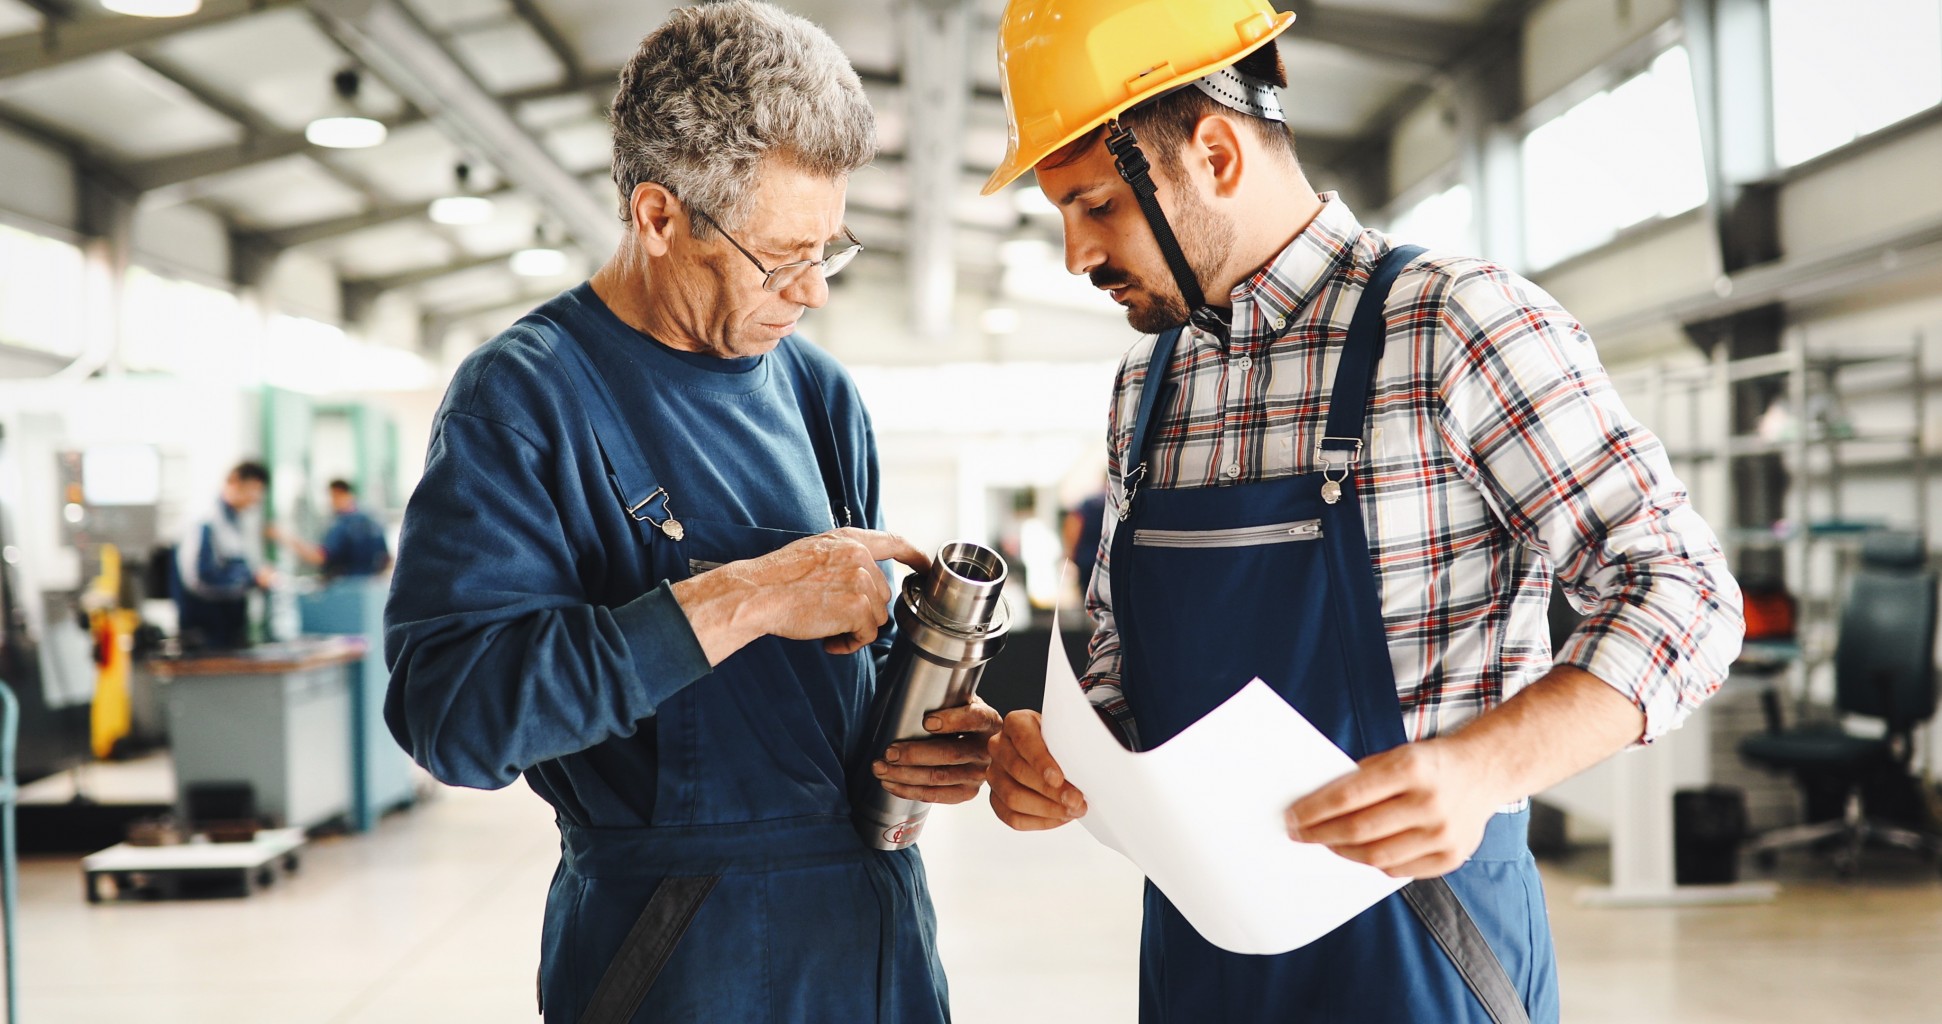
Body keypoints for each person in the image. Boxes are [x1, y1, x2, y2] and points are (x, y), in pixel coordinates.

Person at [977, 3, 1745, 1023]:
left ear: (1212, 152)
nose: (1076, 252)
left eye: (1097, 205)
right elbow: (1124, 643)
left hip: (1422, 949)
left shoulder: (1449, 325)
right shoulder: (1145, 383)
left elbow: (1683, 590)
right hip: (1201, 960)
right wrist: (1073, 759)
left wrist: (1481, 770)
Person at [382, 4, 995, 1021]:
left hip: (871, 939)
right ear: (657, 217)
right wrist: (748, 596)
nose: (813, 294)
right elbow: (452, 715)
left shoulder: (819, 394)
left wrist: (917, 730)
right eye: (780, 257)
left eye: (827, 251)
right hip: (676, 954)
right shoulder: (528, 398)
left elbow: (832, 685)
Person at [172, 460, 275, 650]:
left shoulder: (236, 521)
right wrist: (251, 580)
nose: (256, 498)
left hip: (229, 632)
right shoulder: (205, 518)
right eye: (254, 489)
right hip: (205, 634)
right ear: (235, 481)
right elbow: (199, 578)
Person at [271, 479, 390, 578]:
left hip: (344, 591)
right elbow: (386, 560)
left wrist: (283, 537)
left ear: (338, 494)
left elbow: (319, 557)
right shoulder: (372, 521)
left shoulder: (342, 525)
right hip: (371, 590)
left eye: (332, 497)